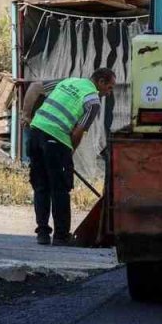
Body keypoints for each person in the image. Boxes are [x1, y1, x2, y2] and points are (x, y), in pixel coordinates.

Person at [23, 69, 116, 245]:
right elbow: (78, 131)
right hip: (57, 140)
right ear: (101, 82)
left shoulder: (68, 81)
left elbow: (35, 87)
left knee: (41, 186)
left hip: (35, 133)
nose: (109, 93)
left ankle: (42, 233)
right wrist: (69, 152)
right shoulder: (93, 101)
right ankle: (60, 236)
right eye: (109, 88)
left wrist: (26, 115)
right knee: (60, 189)